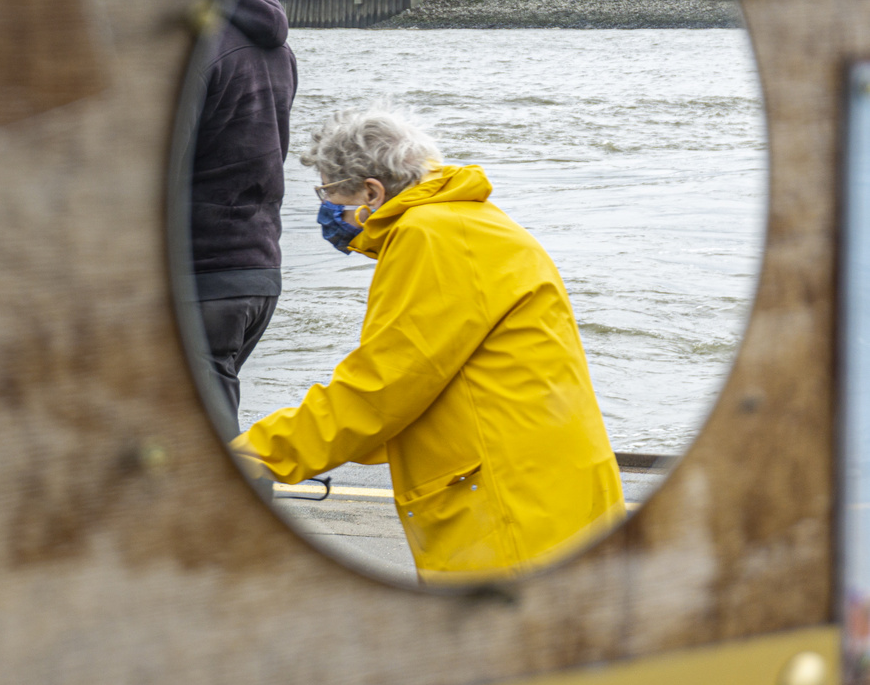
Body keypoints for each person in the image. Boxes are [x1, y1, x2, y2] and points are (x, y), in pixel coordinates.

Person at [232, 106, 623, 582]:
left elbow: (381, 390)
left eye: (329, 193)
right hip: (547, 487)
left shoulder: (429, 236)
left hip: (509, 507)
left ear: (372, 192)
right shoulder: (472, 222)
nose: (326, 209)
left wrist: (255, 456)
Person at [187, 0, 296, 434]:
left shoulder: (194, 48)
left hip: (201, 273)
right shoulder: (278, 48)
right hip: (257, 269)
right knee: (206, 422)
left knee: (202, 440)